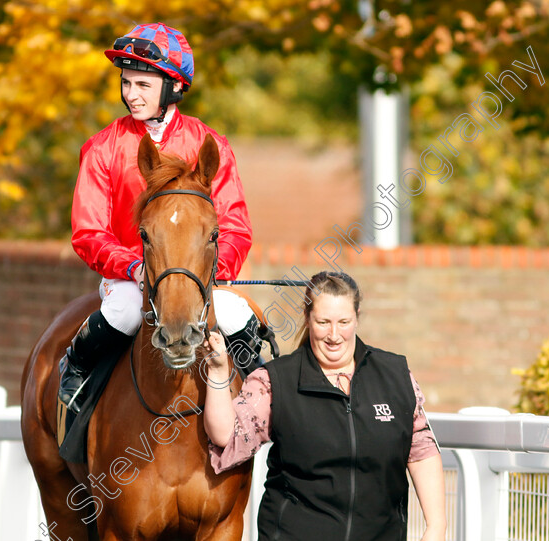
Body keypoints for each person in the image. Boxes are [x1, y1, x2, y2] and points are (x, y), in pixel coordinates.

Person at [60, 23, 260, 412]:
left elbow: (235, 224)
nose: (130, 95)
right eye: (126, 83)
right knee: (124, 312)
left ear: (173, 87)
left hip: (197, 276)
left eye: (142, 86)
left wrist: (215, 267)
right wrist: (133, 266)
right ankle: (76, 373)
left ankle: (267, 400)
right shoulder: (102, 148)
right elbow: (88, 233)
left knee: (238, 313)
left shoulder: (210, 144)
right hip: (130, 278)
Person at [203, 271, 446, 541]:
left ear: (357, 317)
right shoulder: (274, 381)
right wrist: (217, 372)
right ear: (307, 318)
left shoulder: (395, 375)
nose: (334, 334)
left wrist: (436, 527)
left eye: (344, 322)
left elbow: (421, 451)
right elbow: (226, 435)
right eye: (323, 322)